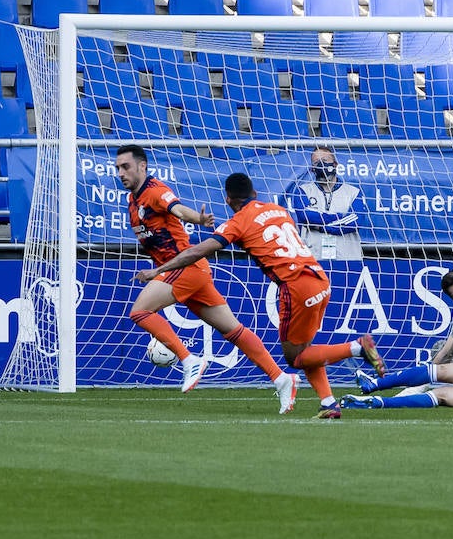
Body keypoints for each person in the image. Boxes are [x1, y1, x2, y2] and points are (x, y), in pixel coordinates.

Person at [138, 172, 387, 419]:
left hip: (295, 287)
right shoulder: (278, 210)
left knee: (296, 357)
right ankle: (328, 403)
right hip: (320, 279)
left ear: (227, 200)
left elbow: (197, 252)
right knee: (306, 348)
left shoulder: (238, 222)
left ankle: (357, 348)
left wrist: (159, 269)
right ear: (255, 193)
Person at [115, 146, 300, 411]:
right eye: (118, 168)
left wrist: (199, 219)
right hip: (191, 271)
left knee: (140, 312)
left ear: (142, 166)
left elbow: (178, 209)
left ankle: (188, 359)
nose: (121, 173)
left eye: (126, 167)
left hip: (184, 267)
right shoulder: (133, 201)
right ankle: (281, 378)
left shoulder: (154, 191)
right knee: (233, 330)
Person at [289, 146, 365, 262]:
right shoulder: (302, 190)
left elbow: (355, 221)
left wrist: (319, 225)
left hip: (347, 260)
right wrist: (340, 217)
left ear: (335, 165)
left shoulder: (353, 192)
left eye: (324, 161)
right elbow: (306, 216)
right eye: (316, 162)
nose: (320, 165)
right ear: (312, 169)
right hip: (313, 260)